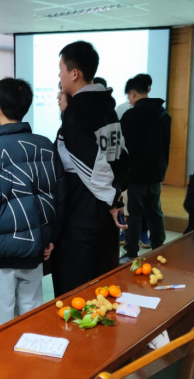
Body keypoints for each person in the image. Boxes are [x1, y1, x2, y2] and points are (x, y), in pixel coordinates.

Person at [0, 78, 64, 330]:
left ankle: (3, 359)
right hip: (35, 249)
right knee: (33, 316)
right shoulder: (46, 145)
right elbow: (57, 197)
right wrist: (49, 237)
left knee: (0, 323)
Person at [54, 41, 128, 296]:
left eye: (61, 69)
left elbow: (91, 164)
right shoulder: (106, 105)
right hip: (105, 208)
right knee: (103, 281)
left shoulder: (78, 110)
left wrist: (112, 199)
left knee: (77, 287)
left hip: (84, 211)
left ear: (74, 73)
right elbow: (122, 154)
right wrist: (116, 196)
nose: (60, 75)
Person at [120, 76, 171, 259]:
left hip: (135, 174)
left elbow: (124, 148)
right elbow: (166, 146)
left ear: (133, 93)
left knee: (133, 214)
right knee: (155, 212)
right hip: (156, 173)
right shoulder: (164, 115)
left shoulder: (130, 116)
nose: (129, 100)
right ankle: (159, 248)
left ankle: (131, 253)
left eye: (129, 96)